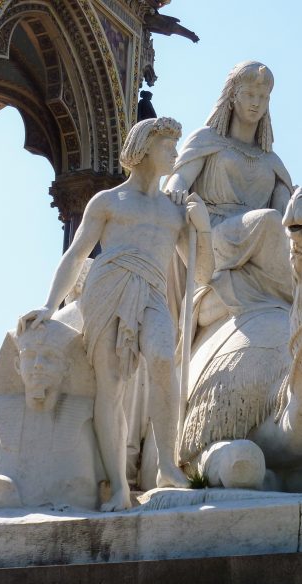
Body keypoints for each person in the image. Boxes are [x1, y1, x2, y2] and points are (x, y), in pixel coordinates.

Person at [19, 117, 213, 511]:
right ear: (144, 148)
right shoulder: (108, 202)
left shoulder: (175, 211)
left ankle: (168, 468)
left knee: (162, 359)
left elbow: (204, 272)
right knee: (112, 387)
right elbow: (76, 256)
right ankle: (119, 486)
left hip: (154, 292)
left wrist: (203, 229)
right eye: (167, 146)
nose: (175, 154)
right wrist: (49, 305)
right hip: (107, 290)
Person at [164, 61, 293, 327]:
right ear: (233, 97)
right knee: (268, 221)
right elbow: (177, 181)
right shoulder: (207, 140)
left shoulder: (272, 162)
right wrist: (175, 191)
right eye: (249, 95)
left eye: (263, 97)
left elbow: (287, 221)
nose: (255, 103)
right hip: (211, 236)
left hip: (259, 245)